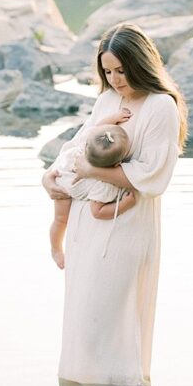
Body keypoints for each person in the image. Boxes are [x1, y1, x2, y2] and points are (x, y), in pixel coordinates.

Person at [41, 21, 188, 386]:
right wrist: (54, 175)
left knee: (111, 313)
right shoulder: (107, 100)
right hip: (86, 221)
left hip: (127, 222)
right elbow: (81, 143)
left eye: (121, 70)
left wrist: (93, 170)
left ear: (140, 64)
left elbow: (153, 175)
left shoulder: (160, 107)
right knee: (84, 313)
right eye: (108, 71)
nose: (115, 79)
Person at [49, 113, 138, 269]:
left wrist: (113, 118)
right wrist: (125, 204)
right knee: (61, 219)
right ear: (117, 164)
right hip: (63, 187)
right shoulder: (102, 183)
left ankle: (55, 246)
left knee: (58, 220)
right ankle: (56, 248)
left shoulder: (87, 142)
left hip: (62, 167)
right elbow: (97, 212)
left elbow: (97, 127)